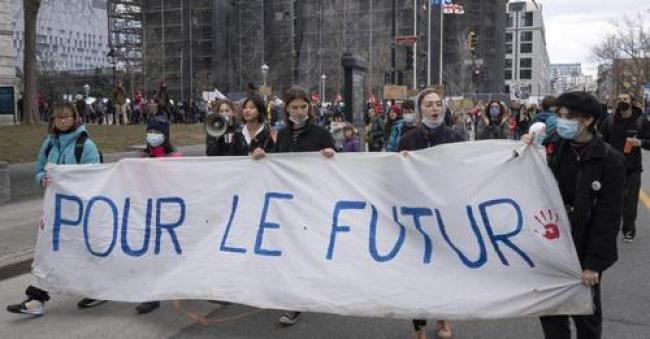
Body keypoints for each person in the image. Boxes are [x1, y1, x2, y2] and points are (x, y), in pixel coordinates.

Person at [522, 91, 625, 339]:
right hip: (551, 243)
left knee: (586, 318)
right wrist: (527, 151)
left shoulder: (610, 160)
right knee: (551, 314)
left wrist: (594, 264)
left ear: (588, 120)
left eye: (568, 116)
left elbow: (608, 218)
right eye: (559, 115)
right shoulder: (554, 147)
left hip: (584, 247)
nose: (561, 121)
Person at [7, 102, 104, 316]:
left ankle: (98, 288)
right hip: (54, 210)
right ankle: (36, 298)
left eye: (66, 117)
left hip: (79, 211)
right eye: (57, 118)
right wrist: (43, 179)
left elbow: (95, 173)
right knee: (46, 250)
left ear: (74, 118)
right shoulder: (49, 144)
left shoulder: (84, 144)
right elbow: (39, 170)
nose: (62, 121)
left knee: (83, 251)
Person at [251, 85, 335, 326]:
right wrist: (262, 155)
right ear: (286, 109)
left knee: (309, 249)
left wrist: (332, 153)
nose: (299, 111)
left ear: (310, 107)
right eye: (294, 107)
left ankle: (305, 294)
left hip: (313, 202)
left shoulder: (320, 133)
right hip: (288, 204)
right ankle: (295, 299)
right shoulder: (283, 135)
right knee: (291, 249)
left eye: (303, 107)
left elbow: (339, 168)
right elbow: (278, 164)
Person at [399, 88, 464, 339]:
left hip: (446, 213)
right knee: (417, 270)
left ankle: (443, 318)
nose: (435, 108)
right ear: (420, 110)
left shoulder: (455, 137)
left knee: (443, 267)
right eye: (429, 104)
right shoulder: (408, 139)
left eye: (439, 104)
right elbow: (395, 175)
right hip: (416, 214)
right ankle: (419, 327)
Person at [600, 92, 650, 243]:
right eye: (620, 99)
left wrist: (639, 143)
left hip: (632, 169)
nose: (622, 101)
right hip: (612, 169)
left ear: (632, 102)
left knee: (630, 203)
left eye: (626, 99)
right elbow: (600, 141)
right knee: (611, 201)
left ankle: (628, 230)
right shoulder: (609, 121)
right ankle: (610, 229)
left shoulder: (641, 120)